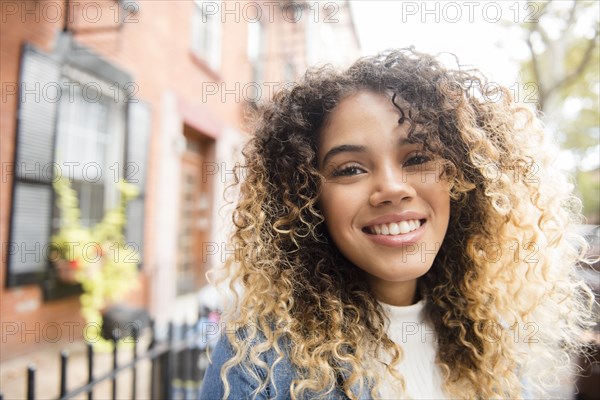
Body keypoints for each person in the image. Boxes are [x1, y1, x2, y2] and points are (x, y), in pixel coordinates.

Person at [199, 48, 595, 399]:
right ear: (307, 198)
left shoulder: (493, 338)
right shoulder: (258, 358)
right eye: (350, 168)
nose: (391, 188)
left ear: (461, 180)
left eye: (417, 158)